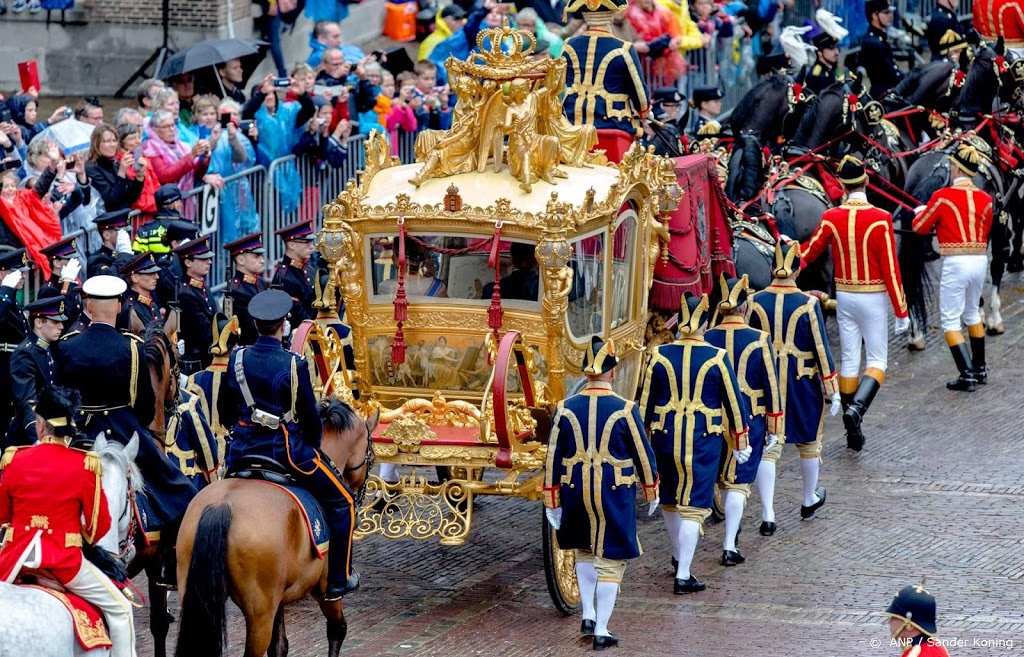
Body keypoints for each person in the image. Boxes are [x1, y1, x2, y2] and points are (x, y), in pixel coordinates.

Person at [52, 275, 196, 588]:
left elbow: (59, 397)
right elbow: (145, 408)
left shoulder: (65, 347)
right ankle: (171, 564)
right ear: (118, 307)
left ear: (88, 306)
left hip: (77, 436)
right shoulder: (131, 348)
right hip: (123, 431)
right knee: (179, 490)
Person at [217, 289, 360, 601]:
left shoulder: (238, 358)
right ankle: (338, 577)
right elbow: (310, 418)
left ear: (255, 324)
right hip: (286, 453)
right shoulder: (294, 363)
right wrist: (311, 446)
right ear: (284, 325)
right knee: (343, 502)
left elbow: (224, 410)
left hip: (241, 450)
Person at [0, 385, 137, 657]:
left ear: (40, 426)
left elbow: (3, 516)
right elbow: (98, 528)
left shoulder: (14, 459)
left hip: (14, 557)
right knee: (121, 610)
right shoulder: (85, 464)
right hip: (63, 562)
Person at [542, 336, 659, 650]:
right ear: (612, 371)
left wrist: (552, 498)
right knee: (611, 559)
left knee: (583, 549)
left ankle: (589, 613)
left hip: (575, 489)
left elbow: (552, 457)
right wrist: (651, 488)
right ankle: (602, 629)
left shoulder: (565, 408)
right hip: (614, 493)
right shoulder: (625, 409)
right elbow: (644, 454)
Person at [639, 293, 749, 594]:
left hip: (665, 436)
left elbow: (644, 407)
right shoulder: (716, 357)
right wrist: (741, 439)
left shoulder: (659, 356)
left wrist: (642, 443)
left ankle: (678, 556)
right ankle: (684, 573)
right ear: (702, 325)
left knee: (671, 500)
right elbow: (735, 404)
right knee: (695, 505)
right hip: (703, 439)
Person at [801, 155, 909, 451]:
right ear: (866, 182)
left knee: (849, 359)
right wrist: (901, 310)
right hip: (873, 296)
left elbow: (809, 252)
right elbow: (890, 267)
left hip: (845, 295)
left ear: (842, 186)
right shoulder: (881, 217)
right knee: (877, 361)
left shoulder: (831, 216)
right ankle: (857, 409)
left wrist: (786, 259)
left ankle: (853, 433)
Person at [747, 243, 835, 533]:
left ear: (772, 269)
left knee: (768, 448)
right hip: (802, 382)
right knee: (808, 443)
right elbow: (821, 347)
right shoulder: (808, 304)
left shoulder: (756, 301)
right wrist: (831, 387)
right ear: (798, 270)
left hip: (765, 383)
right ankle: (809, 497)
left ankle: (768, 514)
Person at [704, 275, 782, 565]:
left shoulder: (708, 337)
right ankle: (729, 544)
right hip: (750, 416)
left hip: (713, 418)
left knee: (724, 480)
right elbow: (771, 386)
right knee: (738, 482)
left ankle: (731, 533)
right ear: (745, 307)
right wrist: (775, 425)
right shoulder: (759, 339)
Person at [912, 144, 992, 391]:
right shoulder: (986, 199)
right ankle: (980, 369)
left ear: (956, 168)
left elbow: (919, 227)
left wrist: (921, 211)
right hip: (979, 260)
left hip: (955, 262)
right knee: (971, 313)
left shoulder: (942, 196)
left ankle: (966, 374)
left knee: (949, 320)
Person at [562, 0, 650, 148]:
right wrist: (643, 112)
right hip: (612, 123)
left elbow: (561, 82)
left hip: (573, 122)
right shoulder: (624, 48)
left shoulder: (568, 44)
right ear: (611, 13)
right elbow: (640, 94)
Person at [5, 294, 64, 446]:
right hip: (28, 436)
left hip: (51, 429)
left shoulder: (49, 347)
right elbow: (27, 400)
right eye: (55, 322)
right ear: (38, 322)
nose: (61, 327)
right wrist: (37, 438)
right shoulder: (25, 354)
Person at [143, 110, 211, 221]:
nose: (172, 129)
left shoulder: (181, 146)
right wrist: (191, 156)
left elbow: (195, 174)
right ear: (155, 129)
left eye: (173, 125)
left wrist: (204, 157)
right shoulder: (150, 148)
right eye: (166, 126)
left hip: (186, 201)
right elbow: (166, 175)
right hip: (167, 206)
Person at [186, 313, 240, 449]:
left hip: (203, 450)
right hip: (234, 449)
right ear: (235, 345)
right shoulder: (242, 377)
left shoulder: (193, 380)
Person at [173, 236, 217, 375]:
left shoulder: (202, 287)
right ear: (188, 262)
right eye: (203, 259)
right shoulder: (186, 293)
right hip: (197, 360)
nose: (209, 262)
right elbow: (203, 329)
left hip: (207, 355)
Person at [1, 250, 30, 437]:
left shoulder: (11, 301)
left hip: (14, 368)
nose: (22, 276)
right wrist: (5, 292)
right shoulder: (4, 299)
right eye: (15, 271)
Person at [86, 123, 146, 213]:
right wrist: (121, 173)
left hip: (123, 218)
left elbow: (131, 197)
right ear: (96, 143)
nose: (112, 145)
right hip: (106, 222)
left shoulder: (115, 163)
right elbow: (112, 203)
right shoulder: (91, 168)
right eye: (107, 141)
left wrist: (140, 176)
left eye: (114, 140)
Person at [271, 220, 317, 331]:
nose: (311, 247)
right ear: (291, 245)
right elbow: (298, 317)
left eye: (311, 242)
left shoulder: (308, 268)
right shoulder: (284, 277)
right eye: (306, 242)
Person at [224, 232, 268, 346]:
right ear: (241, 260)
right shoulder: (236, 291)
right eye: (256, 256)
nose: (262, 260)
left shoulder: (260, 282)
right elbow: (250, 329)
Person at [885, 580, 950, 656]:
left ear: (910, 625)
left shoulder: (915, 654)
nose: (889, 622)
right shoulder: (937, 647)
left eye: (894, 618)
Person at [860, 0, 904, 100]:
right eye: (886, 13)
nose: (890, 16)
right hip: (884, 95)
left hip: (889, 91)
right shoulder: (873, 42)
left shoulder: (880, 37)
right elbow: (889, 75)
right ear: (875, 16)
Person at [155, 219, 198, 316]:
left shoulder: (192, 261)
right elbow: (172, 285)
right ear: (174, 244)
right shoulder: (164, 264)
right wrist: (178, 256)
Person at [38, 235, 83, 328]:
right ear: (57, 263)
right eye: (70, 259)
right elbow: (63, 316)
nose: (75, 262)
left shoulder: (71, 284)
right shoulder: (48, 290)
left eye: (75, 258)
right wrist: (68, 283)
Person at [133, 183, 185, 254]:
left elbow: (137, 258)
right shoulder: (189, 228)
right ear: (175, 205)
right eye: (180, 201)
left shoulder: (144, 230)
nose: (181, 205)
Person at [119, 251, 163, 329]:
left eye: (156, 273)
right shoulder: (131, 309)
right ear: (135, 278)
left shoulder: (153, 305)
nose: (157, 277)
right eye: (150, 273)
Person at [88, 209, 134, 278]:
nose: (127, 235)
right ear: (107, 235)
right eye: (121, 231)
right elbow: (108, 278)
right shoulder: (96, 259)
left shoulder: (129, 254)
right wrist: (124, 253)